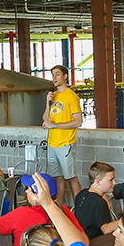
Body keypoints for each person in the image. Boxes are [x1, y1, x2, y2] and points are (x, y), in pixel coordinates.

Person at [0, 174, 86, 246]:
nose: (26, 191)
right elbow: (84, 242)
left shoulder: (20, 214)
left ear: (36, 197)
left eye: (29, 189)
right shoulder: (62, 211)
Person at [43, 64, 82, 203]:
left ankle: (80, 208)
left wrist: (54, 125)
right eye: (53, 74)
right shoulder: (54, 96)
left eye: (57, 74)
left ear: (65, 77)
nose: (54, 77)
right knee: (57, 177)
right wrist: (48, 104)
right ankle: (59, 207)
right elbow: (45, 119)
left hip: (65, 143)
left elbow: (78, 121)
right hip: (52, 143)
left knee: (70, 177)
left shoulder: (72, 96)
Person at [72, 161, 117, 239]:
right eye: (111, 180)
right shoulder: (98, 202)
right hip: (94, 243)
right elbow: (106, 230)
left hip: (80, 239)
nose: (114, 183)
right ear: (98, 182)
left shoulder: (82, 194)